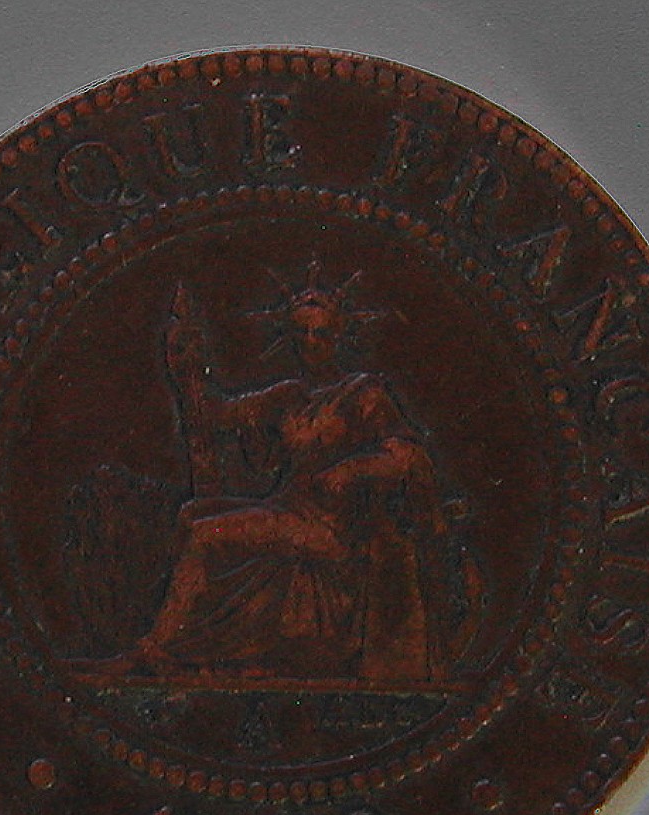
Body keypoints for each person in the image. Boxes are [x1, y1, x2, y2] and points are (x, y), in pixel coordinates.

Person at [76, 268, 471, 689]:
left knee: (206, 535)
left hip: (333, 527)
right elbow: (217, 415)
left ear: (339, 336)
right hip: (290, 511)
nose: (311, 343)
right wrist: (186, 368)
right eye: (301, 334)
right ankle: (205, 643)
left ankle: (155, 652)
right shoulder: (289, 395)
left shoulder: (363, 394)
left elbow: (407, 456)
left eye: (321, 334)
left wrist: (351, 470)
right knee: (191, 515)